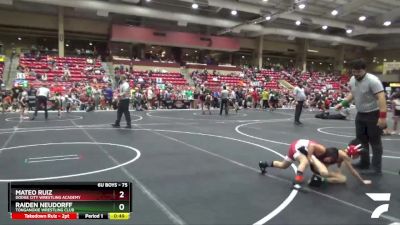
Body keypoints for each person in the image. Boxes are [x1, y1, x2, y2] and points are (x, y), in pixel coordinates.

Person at [335, 59, 387, 175]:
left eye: (359, 72)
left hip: (373, 114)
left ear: (365, 70)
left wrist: (382, 117)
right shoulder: (352, 79)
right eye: (354, 71)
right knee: (361, 141)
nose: (356, 74)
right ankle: (364, 163)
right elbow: (353, 94)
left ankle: (376, 168)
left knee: (375, 142)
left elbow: (381, 98)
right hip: (361, 114)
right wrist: (342, 103)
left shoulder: (373, 81)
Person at [258, 139, 371, 187]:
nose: (357, 158)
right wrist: (308, 156)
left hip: (297, 147)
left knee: (283, 165)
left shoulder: (340, 156)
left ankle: (264, 164)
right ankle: (297, 182)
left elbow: (339, 164)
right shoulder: (324, 150)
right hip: (299, 147)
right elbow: (352, 170)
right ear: (354, 154)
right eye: (357, 156)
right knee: (306, 161)